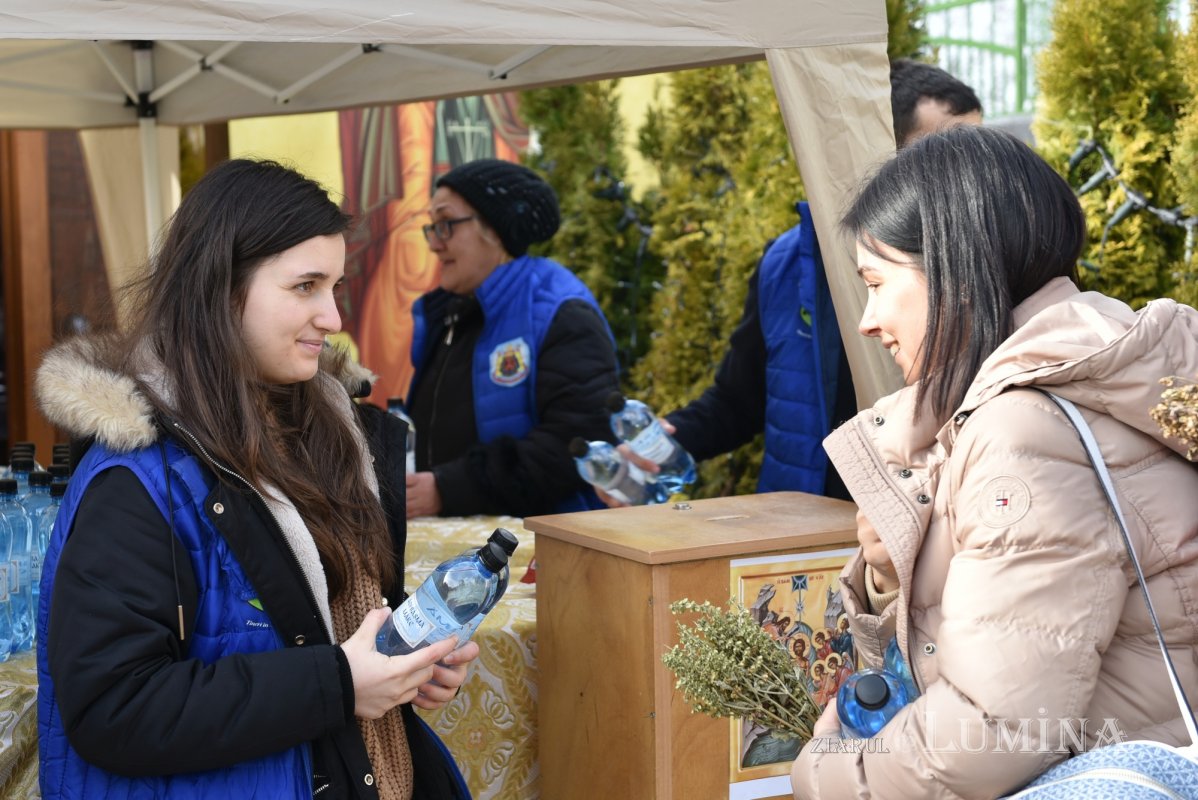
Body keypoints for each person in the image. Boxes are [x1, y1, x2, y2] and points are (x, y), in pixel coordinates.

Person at [34, 159, 479, 800]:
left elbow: (323, 621)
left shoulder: (339, 438)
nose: (331, 317)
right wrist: (339, 683)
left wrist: (406, 658)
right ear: (219, 288)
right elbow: (112, 709)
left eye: (335, 286)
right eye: (305, 287)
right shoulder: (138, 479)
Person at [790, 125, 1198, 799]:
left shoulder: (1024, 429)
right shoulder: (1110, 380)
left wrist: (823, 773)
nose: (867, 319)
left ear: (952, 266)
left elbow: (990, 731)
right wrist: (892, 577)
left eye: (878, 282)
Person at [606, 60, 983, 502]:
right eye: (946, 152)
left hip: (920, 525)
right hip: (802, 543)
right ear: (876, 155)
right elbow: (739, 400)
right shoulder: (786, 262)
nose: (969, 173)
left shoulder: (979, 270)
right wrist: (671, 440)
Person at [403, 158, 620, 518]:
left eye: (446, 225)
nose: (435, 244)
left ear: (497, 230)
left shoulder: (559, 311)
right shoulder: (447, 314)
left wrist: (448, 489)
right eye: (432, 228)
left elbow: (578, 444)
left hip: (542, 556)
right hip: (461, 550)